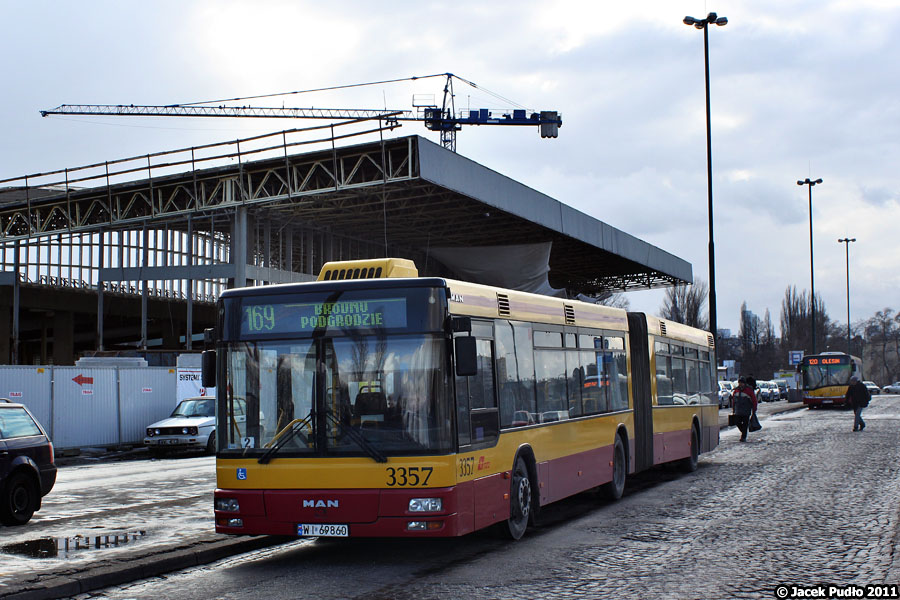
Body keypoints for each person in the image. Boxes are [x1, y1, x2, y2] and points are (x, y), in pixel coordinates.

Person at [731, 376, 758, 442]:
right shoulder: (736, 390)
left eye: (742, 383)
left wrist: (754, 409)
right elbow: (734, 400)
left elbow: (754, 400)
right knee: (737, 422)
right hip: (738, 410)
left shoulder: (749, 391)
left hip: (746, 410)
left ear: (744, 383)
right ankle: (743, 432)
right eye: (739, 382)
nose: (740, 384)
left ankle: (743, 437)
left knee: (745, 423)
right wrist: (733, 408)